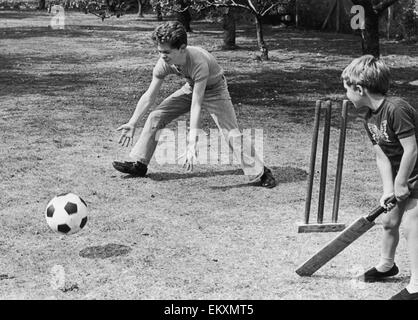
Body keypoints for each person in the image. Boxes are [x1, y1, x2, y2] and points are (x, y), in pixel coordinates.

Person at [112, 21, 276, 188]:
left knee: (230, 132)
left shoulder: (198, 62)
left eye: (167, 52)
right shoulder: (164, 62)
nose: (162, 55)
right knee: (156, 115)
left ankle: (261, 172)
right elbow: (149, 95)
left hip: (215, 90)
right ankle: (140, 164)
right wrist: (133, 122)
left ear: (182, 48)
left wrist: (192, 144)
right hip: (191, 86)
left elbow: (196, 105)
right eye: (160, 51)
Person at [341, 55, 418, 300]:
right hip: (403, 177)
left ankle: (417, 286)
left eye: (347, 89)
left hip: (415, 174)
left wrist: (401, 182)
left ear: (360, 89)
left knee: (411, 226)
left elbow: (412, 149)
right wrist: (388, 189)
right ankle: (387, 266)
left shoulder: (396, 108)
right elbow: (382, 157)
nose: (346, 95)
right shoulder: (369, 118)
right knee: (389, 222)